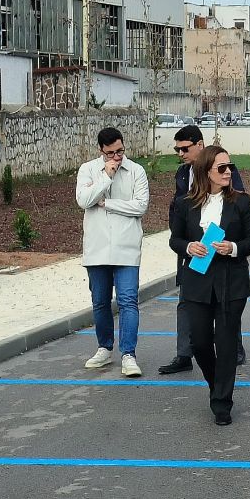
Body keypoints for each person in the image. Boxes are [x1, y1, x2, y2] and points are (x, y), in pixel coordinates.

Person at [169, 146, 250, 425]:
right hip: (197, 280)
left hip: (231, 281)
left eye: (230, 166)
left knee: (226, 342)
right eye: (221, 168)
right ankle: (215, 385)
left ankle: (222, 402)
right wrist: (189, 247)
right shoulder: (185, 203)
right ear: (206, 171)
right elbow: (175, 239)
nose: (228, 172)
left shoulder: (241, 202)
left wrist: (233, 247)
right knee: (199, 342)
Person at [160, 125, 247, 375]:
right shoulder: (182, 173)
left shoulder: (223, 168)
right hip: (193, 249)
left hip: (220, 250)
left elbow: (236, 204)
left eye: (185, 148)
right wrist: (185, 241)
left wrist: (228, 241)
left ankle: (233, 348)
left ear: (200, 145)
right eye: (177, 149)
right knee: (186, 299)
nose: (181, 154)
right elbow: (178, 207)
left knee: (225, 303)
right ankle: (184, 353)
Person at [76, 127, 150, 377]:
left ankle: (129, 354)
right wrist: (106, 177)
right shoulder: (88, 170)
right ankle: (104, 348)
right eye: (111, 153)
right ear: (101, 151)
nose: (117, 157)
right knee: (100, 301)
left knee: (128, 300)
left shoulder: (136, 171)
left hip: (127, 247)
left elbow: (140, 206)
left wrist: (106, 203)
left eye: (120, 151)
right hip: (97, 248)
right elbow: (84, 200)